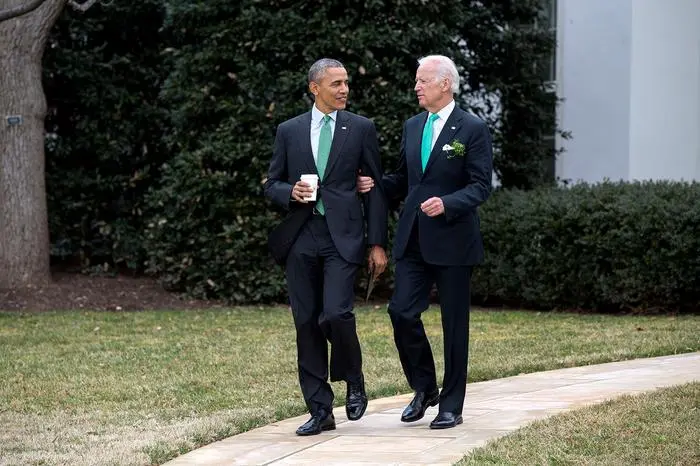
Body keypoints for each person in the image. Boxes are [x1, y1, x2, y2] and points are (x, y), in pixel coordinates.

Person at [357, 55, 492, 429]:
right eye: (417, 81)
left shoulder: (472, 128)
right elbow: (405, 179)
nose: (416, 87)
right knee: (401, 312)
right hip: (413, 239)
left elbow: (481, 186)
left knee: (454, 326)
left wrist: (448, 203)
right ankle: (424, 387)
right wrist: (376, 184)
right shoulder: (413, 125)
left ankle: (451, 405)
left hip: (453, 242)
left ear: (444, 84)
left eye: (422, 81)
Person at [264, 58, 388, 436]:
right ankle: (320, 410)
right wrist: (290, 192)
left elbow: (376, 189)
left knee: (335, 314)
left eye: (346, 82)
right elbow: (271, 182)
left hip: (343, 237)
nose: (345, 89)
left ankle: (354, 378)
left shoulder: (361, 128)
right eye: (336, 83)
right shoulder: (289, 130)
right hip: (302, 236)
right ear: (314, 88)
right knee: (306, 323)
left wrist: (377, 243)